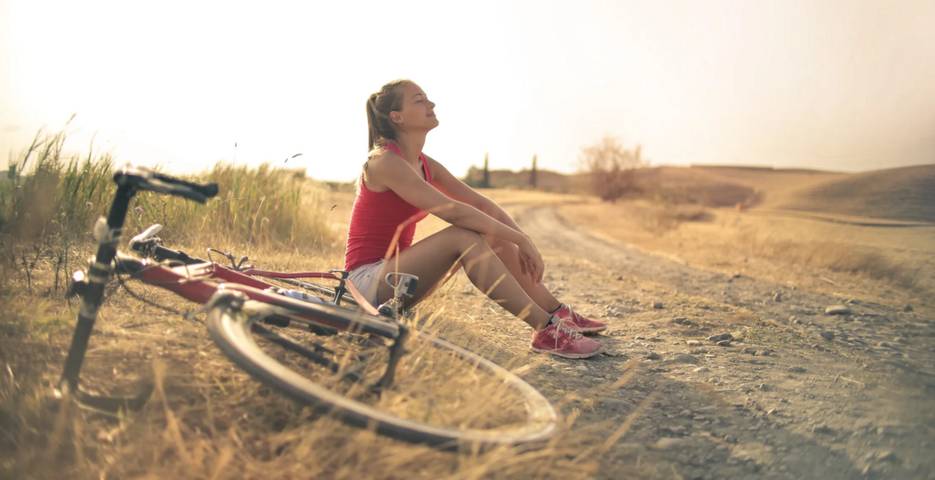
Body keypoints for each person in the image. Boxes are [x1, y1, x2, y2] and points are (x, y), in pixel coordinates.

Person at [344, 79, 606, 359]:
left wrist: (519, 239)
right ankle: (545, 330)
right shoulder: (384, 162)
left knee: (492, 232)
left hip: (399, 282)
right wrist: (520, 238)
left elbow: (480, 203)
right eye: (419, 100)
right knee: (463, 235)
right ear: (397, 117)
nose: (431, 104)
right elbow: (453, 210)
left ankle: (556, 313)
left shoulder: (424, 163)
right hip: (364, 285)